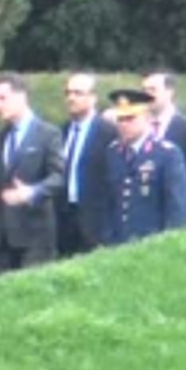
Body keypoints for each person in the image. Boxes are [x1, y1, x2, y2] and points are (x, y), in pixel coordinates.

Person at [0, 72, 65, 271]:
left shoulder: (48, 134)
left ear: (21, 96)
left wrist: (33, 191)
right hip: (2, 238)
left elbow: (59, 177)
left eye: (3, 98)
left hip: (34, 234)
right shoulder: (0, 138)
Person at [101, 90, 186, 244]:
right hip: (117, 245)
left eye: (130, 118)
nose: (124, 124)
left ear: (147, 118)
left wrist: (170, 243)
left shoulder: (167, 153)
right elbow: (108, 201)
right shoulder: (113, 152)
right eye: (120, 119)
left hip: (152, 243)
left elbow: (176, 208)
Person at [56, 72, 118, 256]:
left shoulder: (109, 133)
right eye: (68, 93)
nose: (71, 98)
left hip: (96, 223)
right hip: (65, 220)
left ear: (93, 98)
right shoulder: (62, 131)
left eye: (78, 93)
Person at [142, 71, 186, 223]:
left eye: (152, 90)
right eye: (144, 90)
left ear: (169, 92)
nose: (147, 95)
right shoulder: (140, 128)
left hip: (179, 215)